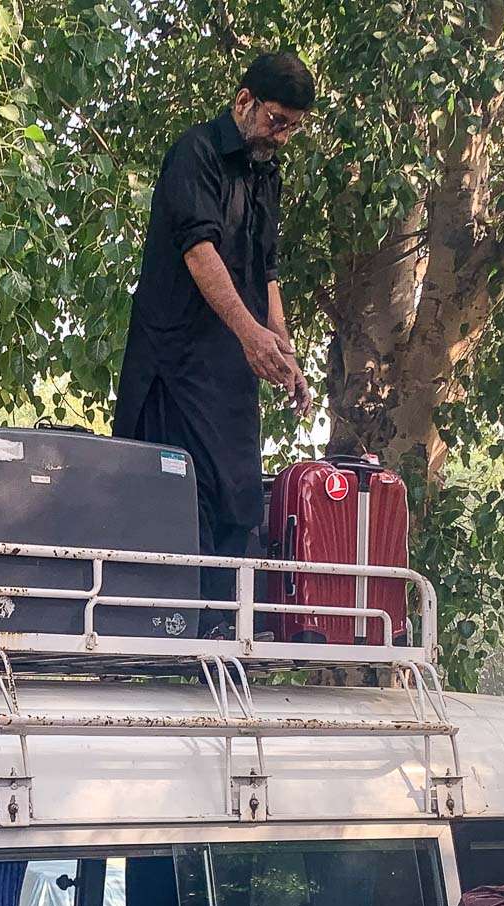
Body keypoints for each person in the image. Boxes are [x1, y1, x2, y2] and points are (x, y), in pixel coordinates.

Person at [113, 51, 316, 629]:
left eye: (293, 128)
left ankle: (221, 635)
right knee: (181, 503)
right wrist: (251, 335)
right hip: (174, 365)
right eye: (276, 121)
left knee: (239, 500)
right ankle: (175, 636)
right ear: (244, 100)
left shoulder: (267, 174)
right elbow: (199, 251)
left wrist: (283, 349)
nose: (282, 136)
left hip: (230, 373)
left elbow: (267, 271)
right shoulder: (194, 152)